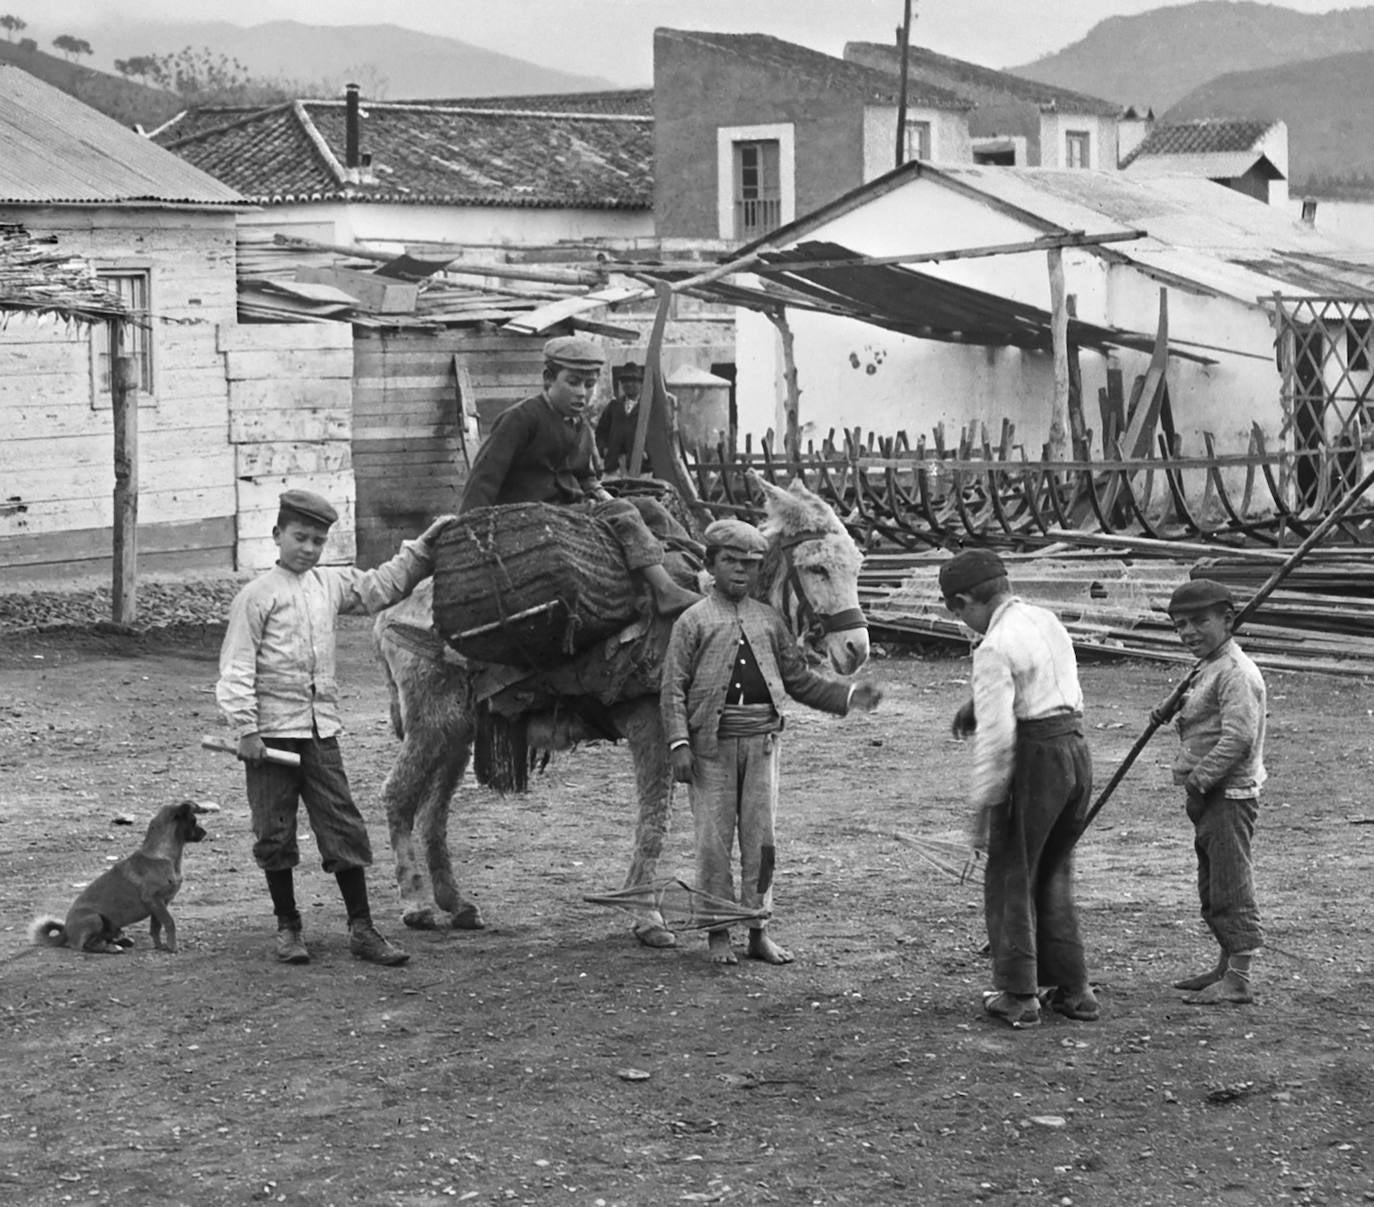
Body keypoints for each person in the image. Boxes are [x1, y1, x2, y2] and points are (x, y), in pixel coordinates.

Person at [216, 489, 453, 967]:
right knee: (274, 833)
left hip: (321, 735)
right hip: (271, 738)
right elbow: (236, 668)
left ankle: (362, 929)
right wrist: (245, 730)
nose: (308, 548)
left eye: (318, 541)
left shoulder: (328, 586)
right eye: (300, 537)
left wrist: (425, 548)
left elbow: (381, 587)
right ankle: (288, 928)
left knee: (344, 827)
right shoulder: (256, 597)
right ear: (277, 535)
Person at [661, 518, 882, 966]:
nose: (741, 571)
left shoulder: (770, 622)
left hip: (763, 747)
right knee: (713, 843)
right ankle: (717, 931)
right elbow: (673, 687)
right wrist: (678, 744)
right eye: (730, 561)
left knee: (762, 842)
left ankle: (758, 928)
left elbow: (798, 679)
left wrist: (849, 696)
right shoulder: (693, 621)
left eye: (751, 563)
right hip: (711, 752)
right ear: (711, 564)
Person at [944, 548, 1097, 1028]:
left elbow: (997, 740)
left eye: (958, 612)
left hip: (1033, 762)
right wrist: (977, 701)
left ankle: (1017, 994)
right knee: (1052, 871)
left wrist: (983, 809)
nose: (964, 622)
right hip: (1075, 750)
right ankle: (1075, 990)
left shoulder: (991, 647)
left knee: (1010, 873)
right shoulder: (1045, 619)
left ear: (964, 602)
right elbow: (1047, 680)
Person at [460, 336, 699, 615]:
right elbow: (484, 478)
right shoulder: (521, 418)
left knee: (649, 506)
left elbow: (586, 477)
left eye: (589, 384)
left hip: (569, 509)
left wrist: (603, 495)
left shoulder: (581, 426)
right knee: (621, 512)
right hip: (531, 516)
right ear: (548, 379)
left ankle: (702, 564)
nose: (582, 393)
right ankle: (665, 590)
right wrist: (471, 534)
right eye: (572, 382)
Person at [1153, 578, 1266, 1006]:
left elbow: (1238, 737)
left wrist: (1200, 781)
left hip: (1227, 794)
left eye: (1200, 621)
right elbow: (1192, 694)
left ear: (1228, 619)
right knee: (1213, 884)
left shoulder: (1235, 672)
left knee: (1230, 885)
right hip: (1208, 793)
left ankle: (1238, 979)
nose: (1188, 632)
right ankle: (1225, 967)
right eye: (1180, 624)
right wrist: (1166, 710)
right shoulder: (1210, 664)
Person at [596, 360, 649, 475]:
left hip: (641, 468)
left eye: (634, 380)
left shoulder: (648, 408)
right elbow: (600, 432)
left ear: (641, 383)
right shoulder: (614, 407)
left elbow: (658, 434)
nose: (629, 384)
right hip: (615, 466)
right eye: (625, 380)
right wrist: (604, 449)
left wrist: (648, 452)